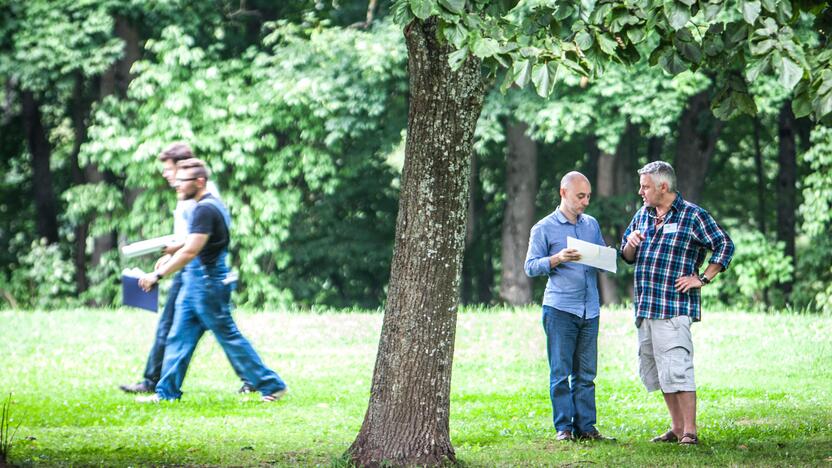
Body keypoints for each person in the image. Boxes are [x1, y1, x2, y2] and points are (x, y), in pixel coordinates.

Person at [136, 158, 287, 403]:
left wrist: (158, 275)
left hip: (208, 284)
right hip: (196, 284)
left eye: (183, 182)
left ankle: (272, 384)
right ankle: (166, 393)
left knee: (228, 337)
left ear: (200, 181)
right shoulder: (206, 206)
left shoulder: (205, 209)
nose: (178, 185)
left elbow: (191, 251)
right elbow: (192, 242)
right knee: (178, 336)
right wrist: (174, 249)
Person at [120, 143, 253, 395]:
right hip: (192, 268)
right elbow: (187, 238)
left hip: (199, 271)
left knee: (214, 328)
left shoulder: (200, 199)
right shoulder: (190, 193)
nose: (166, 174)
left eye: (168, 168)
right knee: (188, 329)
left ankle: (258, 379)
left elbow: (196, 242)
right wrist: (169, 254)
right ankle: (159, 384)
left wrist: (164, 269)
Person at [620, 161, 734, 445]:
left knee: (678, 368)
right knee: (660, 371)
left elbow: (724, 245)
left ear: (663, 186)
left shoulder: (693, 215)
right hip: (645, 307)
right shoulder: (643, 215)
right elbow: (626, 256)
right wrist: (631, 244)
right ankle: (675, 427)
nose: (640, 191)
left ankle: (690, 432)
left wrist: (703, 278)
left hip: (673, 308)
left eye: (645, 186)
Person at [524, 171, 613, 442]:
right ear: (563, 193)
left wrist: (607, 257)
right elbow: (530, 267)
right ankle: (564, 428)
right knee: (561, 373)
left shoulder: (591, 225)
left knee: (586, 374)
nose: (585, 201)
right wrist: (557, 258)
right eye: (580, 196)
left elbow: (602, 256)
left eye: (588, 196)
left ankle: (587, 428)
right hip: (560, 310)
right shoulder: (543, 228)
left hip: (590, 309)